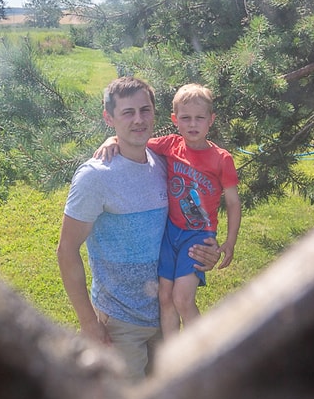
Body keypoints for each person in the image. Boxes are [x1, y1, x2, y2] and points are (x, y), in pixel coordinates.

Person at [57, 76, 221, 380]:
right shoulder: (95, 177)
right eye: (127, 112)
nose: (138, 120)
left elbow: (191, 220)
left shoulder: (165, 163)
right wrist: (89, 322)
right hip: (119, 325)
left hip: (165, 316)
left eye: (145, 110)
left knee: (167, 396)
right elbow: (66, 250)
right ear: (109, 118)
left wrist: (206, 252)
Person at [96, 83, 242, 337]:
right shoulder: (170, 145)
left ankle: (202, 348)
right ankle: (172, 351)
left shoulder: (222, 159)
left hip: (198, 236)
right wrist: (111, 140)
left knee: (182, 298)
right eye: (185, 118)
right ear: (175, 120)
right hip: (170, 233)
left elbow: (233, 202)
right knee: (165, 297)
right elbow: (134, 141)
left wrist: (230, 241)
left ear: (211, 120)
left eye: (199, 118)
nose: (192, 124)